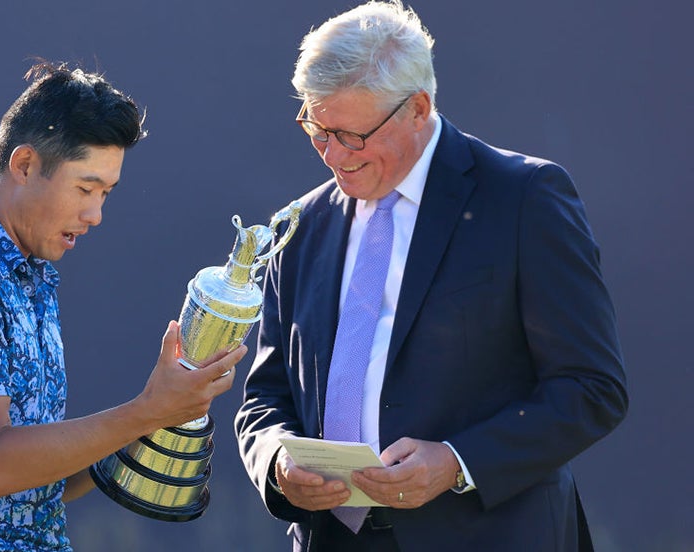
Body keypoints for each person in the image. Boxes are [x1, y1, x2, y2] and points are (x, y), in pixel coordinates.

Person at [233, 2, 628, 550]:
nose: (331, 155)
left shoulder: (523, 197)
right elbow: (267, 396)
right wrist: (278, 462)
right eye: (316, 129)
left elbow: (592, 388)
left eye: (352, 135)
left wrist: (457, 462)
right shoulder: (300, 226)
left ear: (418, 108)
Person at [0, 62, 245, 551]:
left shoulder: (23, 274)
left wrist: (161, 413)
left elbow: (37, 485)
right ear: (25, 165)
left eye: (105, 194)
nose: (94, 214)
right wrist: (144, 411)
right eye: (84, 189)